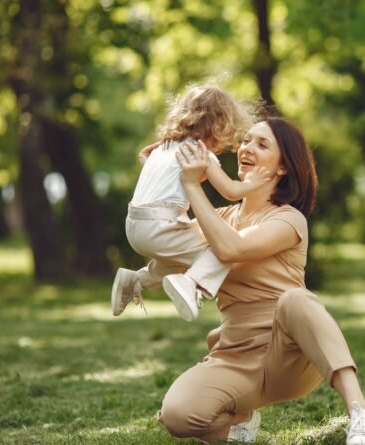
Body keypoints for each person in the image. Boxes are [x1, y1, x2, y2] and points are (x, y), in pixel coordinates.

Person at [157, 117, 365, 445]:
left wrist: (194, 187)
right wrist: (160, 161)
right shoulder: (220, 218)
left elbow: (231, 248)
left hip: (288, 355)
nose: (246, 148)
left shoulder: (288, 219)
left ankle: (361, 415)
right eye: (246, 141)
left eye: (262, 144)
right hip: (236, 355)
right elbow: (164, 245)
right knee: (177, 414)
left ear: (283, 168)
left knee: (295, 299)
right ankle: (238, 428)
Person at [111, 84, 271, 321]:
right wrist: (253, 182)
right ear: (218, 124)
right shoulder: (200, 153)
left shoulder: (161, 148)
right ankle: (190, 284)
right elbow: (230, 191)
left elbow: (160, 180)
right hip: (160, 225)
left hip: (135, 226)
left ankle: (136, 280)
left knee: (179, 260)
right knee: (222, 251)